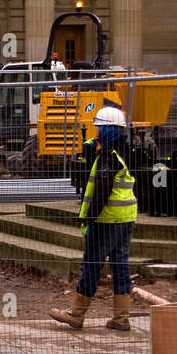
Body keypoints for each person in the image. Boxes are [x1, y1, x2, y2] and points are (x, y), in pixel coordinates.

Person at [50, 105, 137, 331]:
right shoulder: (124, 152)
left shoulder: (109, 157)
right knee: (120, 266)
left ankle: (76, 314)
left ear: (109, 130)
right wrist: (90, 155)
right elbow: (94, 176)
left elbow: (101, 190)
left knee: (91, 265)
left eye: (100, 129)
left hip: (105, 220)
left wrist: (89, 220)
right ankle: (121, 318)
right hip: (125, 219)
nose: (97, 133)